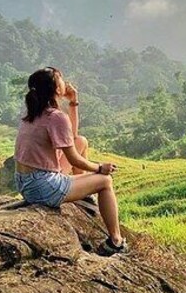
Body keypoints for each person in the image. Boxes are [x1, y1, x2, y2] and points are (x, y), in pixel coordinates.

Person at [13, 66, 126, 256]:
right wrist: (100, 168)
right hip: (42, 186)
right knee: (105, 182)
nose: (65, 82)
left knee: (81, 141)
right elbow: (73, 158)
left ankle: (81, 194)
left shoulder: (34, 112)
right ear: (57, 89)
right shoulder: (55, 116)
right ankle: (116, 241)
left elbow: (71, 138)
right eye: (61, 79)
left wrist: (73, 103)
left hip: (26, 182)